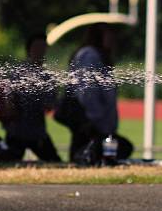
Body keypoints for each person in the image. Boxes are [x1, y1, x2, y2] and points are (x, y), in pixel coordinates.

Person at [0, 34, 61, 164]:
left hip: (35, 132)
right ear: (29, 49)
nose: (41, 51)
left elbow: (49, 105)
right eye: (38, 48)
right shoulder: (18, 74)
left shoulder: (46, 77)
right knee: (7, 162)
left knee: (54, 162)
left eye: (43, 48)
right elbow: (6, 100)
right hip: (18, 131)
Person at [56, 23, 132, 165]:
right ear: (98, 37)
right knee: (88, 153)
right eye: (108, 36)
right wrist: (95, 119)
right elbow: (86, 90)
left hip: (94, 120)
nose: (112, 41)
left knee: (89, 152)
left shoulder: (97, 56)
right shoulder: (89, 55)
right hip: (89, 120)